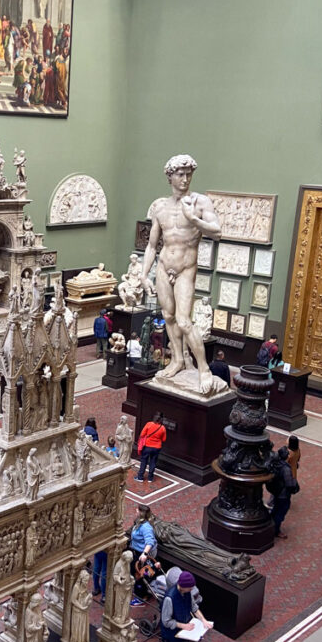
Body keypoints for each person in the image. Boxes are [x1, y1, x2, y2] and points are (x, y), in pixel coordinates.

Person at [142, 155, 222, 390]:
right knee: (168, 316)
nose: (185, 179)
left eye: (189, 174)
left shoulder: (200, 203)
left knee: (184, 321)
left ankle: (204, 369)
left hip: (186, 268)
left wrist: (193, 219)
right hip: (164, 267)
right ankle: (178, 359)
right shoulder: (159, 207)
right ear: (170, 177)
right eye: (180, 174)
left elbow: (217, 232)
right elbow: (151, 246)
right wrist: (144, 274)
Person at [269, 447, 299, 539]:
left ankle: (270, 525)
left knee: (275, 509)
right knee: (281, 511)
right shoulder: (285, 469)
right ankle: (276, 530)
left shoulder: (275, 464)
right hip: (283, 494)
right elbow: (290, 484)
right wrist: (295, 485)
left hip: (276, 491)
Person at [135, 412, 166, 483]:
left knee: (144, 461)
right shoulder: (162, 428)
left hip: (147, 446)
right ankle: (150, 478)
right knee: (153, 461)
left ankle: (140, 476)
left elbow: (142, 434)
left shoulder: (149, 424)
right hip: (157, 447)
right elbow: (164, 439)